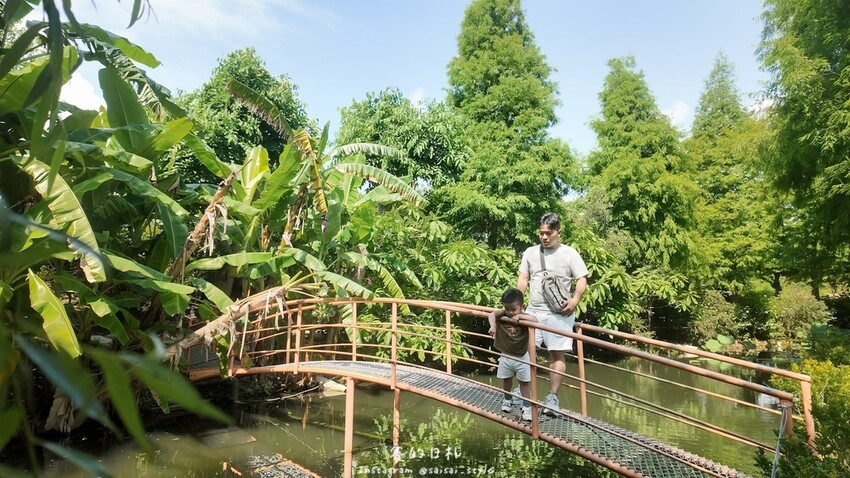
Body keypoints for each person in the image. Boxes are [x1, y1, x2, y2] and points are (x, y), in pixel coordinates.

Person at [517, 212, 588, 416]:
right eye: (541, 233)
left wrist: (575, 300)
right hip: (533, 312)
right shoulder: (530, 252)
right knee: (525, 352)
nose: (545, 237)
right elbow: (523, 278)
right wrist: (518, 303)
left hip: (559, 314)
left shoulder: (569, 253)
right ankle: (525, 391)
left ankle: (552, 398)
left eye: (549, 233)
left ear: (558, 232)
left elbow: (582, 278)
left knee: (557, 354)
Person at [488, 288, 537, 422]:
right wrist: (493, 326)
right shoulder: (503, 314)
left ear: (522, 306)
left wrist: (521, 317)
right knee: (507, 380)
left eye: (514, 309)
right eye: (507, 309)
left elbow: (535, 320)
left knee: (524, 383)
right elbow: (491, 315)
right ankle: (507, 400)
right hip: (506, 355)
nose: (510, 312)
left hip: (522, 357)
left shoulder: (524, 317)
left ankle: (526, 407)